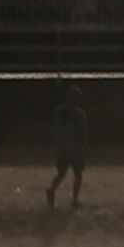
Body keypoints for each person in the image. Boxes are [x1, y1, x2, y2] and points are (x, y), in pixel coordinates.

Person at [45, 83, 89, 211]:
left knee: (62, 173)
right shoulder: (79, 113)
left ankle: (52, 190)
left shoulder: (59, 112)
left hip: (63, 149)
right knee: (78, 175)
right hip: (75, 149)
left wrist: (57, 144)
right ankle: (74, 199)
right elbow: (83, 132)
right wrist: (86, 147)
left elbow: (55, 130)